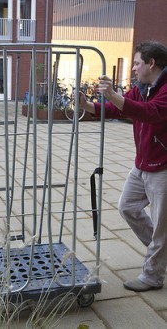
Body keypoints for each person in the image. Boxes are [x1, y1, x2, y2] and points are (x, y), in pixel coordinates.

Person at [79, 41, 167, 292]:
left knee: (162, 227)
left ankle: (153, 275)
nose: (134, 69)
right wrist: (89, 106)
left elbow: (150, 113)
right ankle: (160, 252)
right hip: (142, 165)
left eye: (137, 63)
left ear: (151, 64)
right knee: (127, 207)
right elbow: (118, 109)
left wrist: (113, 95)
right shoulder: (141, 87)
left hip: (163, 167)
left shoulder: (164, 90)